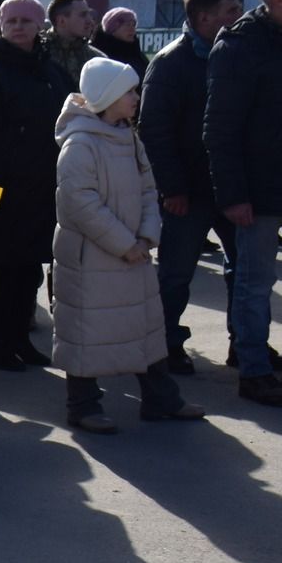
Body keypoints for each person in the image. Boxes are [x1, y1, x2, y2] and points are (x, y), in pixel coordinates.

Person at [54, 59, 204, 431]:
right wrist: (124, 243)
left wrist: (147, 235)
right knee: (86, 331)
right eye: (130, 92)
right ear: (107, 96)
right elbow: (81, 203)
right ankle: (83, 405)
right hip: (92, 259)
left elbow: (148, 189)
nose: (136, 98)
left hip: (132, 254)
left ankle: (160, 398)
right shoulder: (80, 144)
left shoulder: (128, 137)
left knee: (145, 327)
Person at [0, 0, 73, 370]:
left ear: (40, 25)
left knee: (29, 267)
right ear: (0, 25)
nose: (18, 27)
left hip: (41, 183)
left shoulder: (50, 70)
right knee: (2, 268)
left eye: (26, 21)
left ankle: (20, 339)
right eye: (11, 21)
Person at [141, 0, 243, 375]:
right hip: (188, 191)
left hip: (233, 188)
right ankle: (166, 345)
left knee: (245, 271)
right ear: (204, 18)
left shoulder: (237, 56)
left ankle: (244, 344)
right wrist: (172, 188)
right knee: (175, 274)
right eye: (231, 10)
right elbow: (154, 129)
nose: (239, 15)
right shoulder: (171, 63)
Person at [204, 0, 282, 408]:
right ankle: (255, 371)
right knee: (257, 283)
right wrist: (232, 195)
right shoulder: (239, 46)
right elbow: (220, 128)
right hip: (256, 190)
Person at [43, 0, 98, 88]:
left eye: (89, 14)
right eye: (83, 15)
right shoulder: (39, 54)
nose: (90, 21)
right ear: (62, 21)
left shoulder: (96, 59)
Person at [91, 7, 149, 79]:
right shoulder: (100, 55)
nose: (132, 29)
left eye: (133, 25)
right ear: (112, 29)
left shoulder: (137, 53)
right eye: (127, 25)